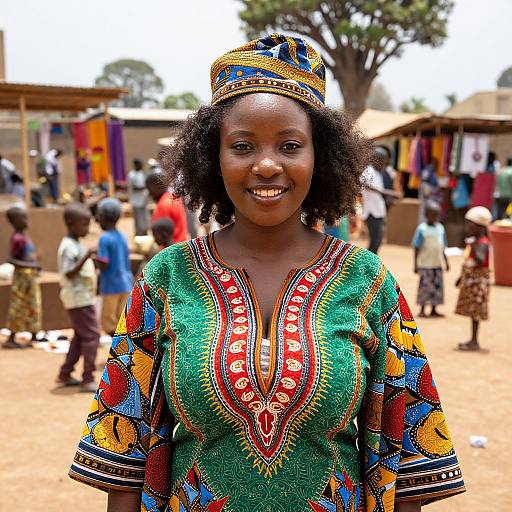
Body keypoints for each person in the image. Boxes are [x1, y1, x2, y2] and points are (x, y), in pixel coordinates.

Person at [69, 34, 464, 512]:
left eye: (290, 145)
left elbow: (408, 454)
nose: (267, 165)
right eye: (242, 146)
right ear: (212, 157)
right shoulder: (165, 278)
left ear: (321, 157)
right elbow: (123, 455)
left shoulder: (368, 281)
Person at [56, 204, 100, 392]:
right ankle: (87, 378)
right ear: (70, 224)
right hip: (78, 299)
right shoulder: (68, 247)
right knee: (92, 336)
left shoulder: (75, 244)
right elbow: (69, 273)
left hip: (82, 297)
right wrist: (87, 256)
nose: (87, 229)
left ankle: (65, 374)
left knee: (81, 337)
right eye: (83, 225)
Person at [3, 206, 42, 349]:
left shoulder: (25, 236)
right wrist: (31, 265)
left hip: (30, 277)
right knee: (18, 307)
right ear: (14, 221)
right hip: (21, 278)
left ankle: (34, 335)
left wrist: (34, 263)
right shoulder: (17, 238)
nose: (27, 220)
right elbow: (11, 259)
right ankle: (11, 338)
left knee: (33, 305)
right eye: (23, 218)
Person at [455, 206, 492, 351]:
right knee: (473, 312)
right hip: (472, 281)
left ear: (479, 226)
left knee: (475, 312)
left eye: (469, 224)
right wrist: (461, 278)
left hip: (478, 283)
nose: (467, 227)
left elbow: (481, 259)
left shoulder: (481, 243)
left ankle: (474, 341)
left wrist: (472, 245)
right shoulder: (477, 241)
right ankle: (472, 339)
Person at [95, 198, 133, 336]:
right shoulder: (122, 236)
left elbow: (104, 263)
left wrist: (95, 258)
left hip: (111, 286)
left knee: (109, 322)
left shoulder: (104, 238)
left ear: (102, 218)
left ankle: (118, 348)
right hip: (126, 283)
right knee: (123, 319)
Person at [412, 201, 450, 318]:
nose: (434, 217)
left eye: (436, 215)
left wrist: (446, 262)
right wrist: (415, 264)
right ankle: (423, 309)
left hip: (437, 264)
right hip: (425, 264)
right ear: (426, 215)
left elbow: (442, 246)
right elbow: (416, 247)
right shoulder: (422, 229)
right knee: (425, 287)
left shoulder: (440, 228)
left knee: (437, 287)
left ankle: (434, 309)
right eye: (432, 215)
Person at [361, 146, 401, 253]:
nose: (384, 164)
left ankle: (371, 264)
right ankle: (367, 264)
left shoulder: (378, 172)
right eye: (383, 161)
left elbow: (379, 193)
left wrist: (390, 199)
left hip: (379, 211)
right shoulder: (368, 171)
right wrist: (390, 193)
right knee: (375, 241)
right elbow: (367, 186)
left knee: (378, 241)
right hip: (372, 212)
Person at [146, 168, 189, 242]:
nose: (149, 194)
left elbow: (161, 237)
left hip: (171, 249)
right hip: (181, 245)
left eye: (150, 189)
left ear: (157, 187)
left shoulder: (163, 206)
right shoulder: (174, 197)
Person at [127, 158, 150, 236]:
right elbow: (133, 187)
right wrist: (146, 187)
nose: (142, 166)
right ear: (136, 165)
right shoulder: (131, 175)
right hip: (136, 202)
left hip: (143, 200)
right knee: (138, 219)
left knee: (144, 218)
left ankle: (144, 233)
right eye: (140, 164)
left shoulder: (141, 173)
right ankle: (138, 235)